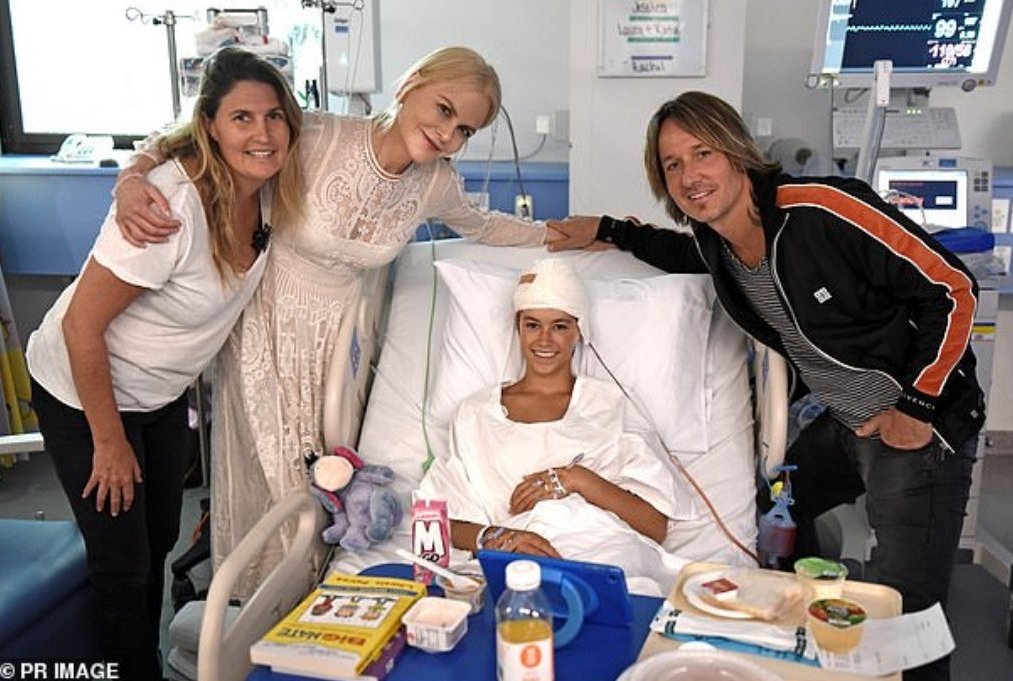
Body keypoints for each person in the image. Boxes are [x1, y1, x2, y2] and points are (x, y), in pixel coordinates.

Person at [548, 91, 984, 681]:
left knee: (906, 615)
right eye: (672, 164)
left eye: (703, 153)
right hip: (847, 421)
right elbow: (675, 250)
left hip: (918, 429)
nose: (690, 176)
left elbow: (953, 288)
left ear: (736, 152)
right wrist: (606, 230)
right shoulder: (718, 243)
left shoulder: (821, 210)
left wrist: (917, 405)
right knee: (776, 512)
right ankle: (806, 621)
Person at [113, 46, 551, 600]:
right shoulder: (316, 135)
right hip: (265, 330)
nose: (447, 134)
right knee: (272, 484)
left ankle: (313, 607)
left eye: (464, 129)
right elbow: (181, 139)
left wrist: (577, 233)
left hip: (339, 350)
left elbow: (485, 226)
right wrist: (132, 178)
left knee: (325, 486)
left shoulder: (434, 183)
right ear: (411, 83)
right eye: (443, 110)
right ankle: (251, 609)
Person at [25, 46, 302, 681]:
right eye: (241, 118)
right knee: (123, 564)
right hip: (83, 391)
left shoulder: (265, 187)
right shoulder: (165, 210)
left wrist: (136, 165)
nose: (262, 132)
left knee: (157, 543)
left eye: (273, 116)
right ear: (210, 126)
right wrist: (108, 441)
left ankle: (134, 660)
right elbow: (80, 327)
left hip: (160, 395)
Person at [419, 258, 693, 596]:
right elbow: (431, 524)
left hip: (606, 551)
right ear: (518, 328)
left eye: (560, 326)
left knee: (611, 596)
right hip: (519, 560)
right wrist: (495, 536)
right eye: (533, 325)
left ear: (579, 330)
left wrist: (578, 480)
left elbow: (654, 527)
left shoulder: (609, 405)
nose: (545, 340)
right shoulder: (475, 414)